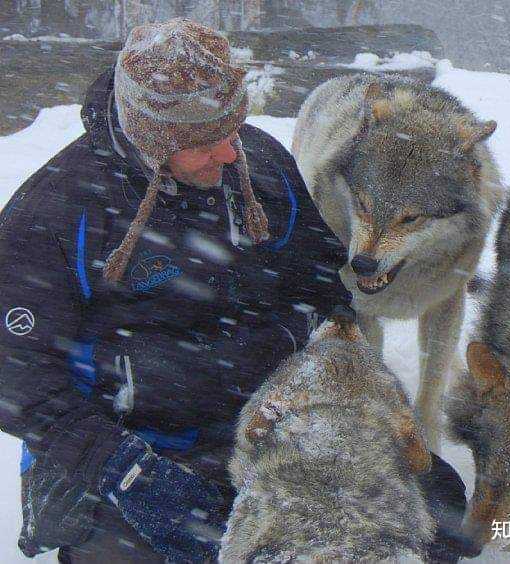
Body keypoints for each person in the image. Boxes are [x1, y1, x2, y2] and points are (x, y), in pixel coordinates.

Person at [0, 18, 467, 563]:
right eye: (204, 142)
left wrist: (347, 400)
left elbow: (319, 278)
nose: (229, 152)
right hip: (131, 445)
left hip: (267, 427)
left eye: (234, 129)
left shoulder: (257, 161)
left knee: (441, 521)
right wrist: (121, 467)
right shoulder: (56, 212)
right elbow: (17, 377)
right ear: (154, 140)